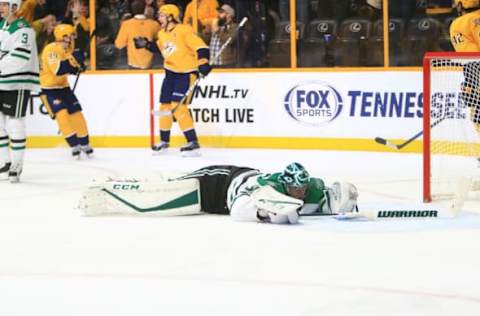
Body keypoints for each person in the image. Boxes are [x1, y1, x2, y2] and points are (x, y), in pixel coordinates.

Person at [80, 162, 359, 225]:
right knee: (157, 199)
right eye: (294, 188)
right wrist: (265, 212)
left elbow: (332, 196)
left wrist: (345, 200)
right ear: (285, 184)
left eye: (302, 187)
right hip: (216, 184)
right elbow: (239, 212)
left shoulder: (309, 186)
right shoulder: (265, 186)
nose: (299, 191)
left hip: (221, 194)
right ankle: (110, 185)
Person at [134, 4, 212, 156]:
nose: (159, 18)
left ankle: (193, 143)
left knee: (179, 107)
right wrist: (147, 45)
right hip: (170, 73)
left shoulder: (184, 30)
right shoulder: (162, 33)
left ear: (171, 16)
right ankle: (164, 141)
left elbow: (201, 47)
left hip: (186, 73)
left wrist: (203, 63)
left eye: (162, 15)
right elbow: (163, 48)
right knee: (165, 106)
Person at [39, 23, 94, 159]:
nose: (71, 39)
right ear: (62, 36)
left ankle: (85, 143)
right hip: (50, 90)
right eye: (69, 36)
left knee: (77, 115)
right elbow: (58, 70)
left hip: (64, 88)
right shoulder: (51, 49)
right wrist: (73, 61)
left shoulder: (67, 49)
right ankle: (74, 145)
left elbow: (73, 69)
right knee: (62, 116)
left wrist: (79, 66)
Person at [0, 0, 40, 182]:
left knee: (15, 124)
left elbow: (20, 56)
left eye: (4, 4)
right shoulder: (2, 26)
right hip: (1, 81)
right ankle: (5, 162)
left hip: (17, 82)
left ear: (15, 7)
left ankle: (17, 164)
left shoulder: (24, 29)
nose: (1, 8)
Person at [114, 0, 160, 69]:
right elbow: (162, 39)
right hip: (151, 64)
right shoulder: (154, 24)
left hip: (133, 65)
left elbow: (119, 44)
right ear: (145, 9)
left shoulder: (127, 24)